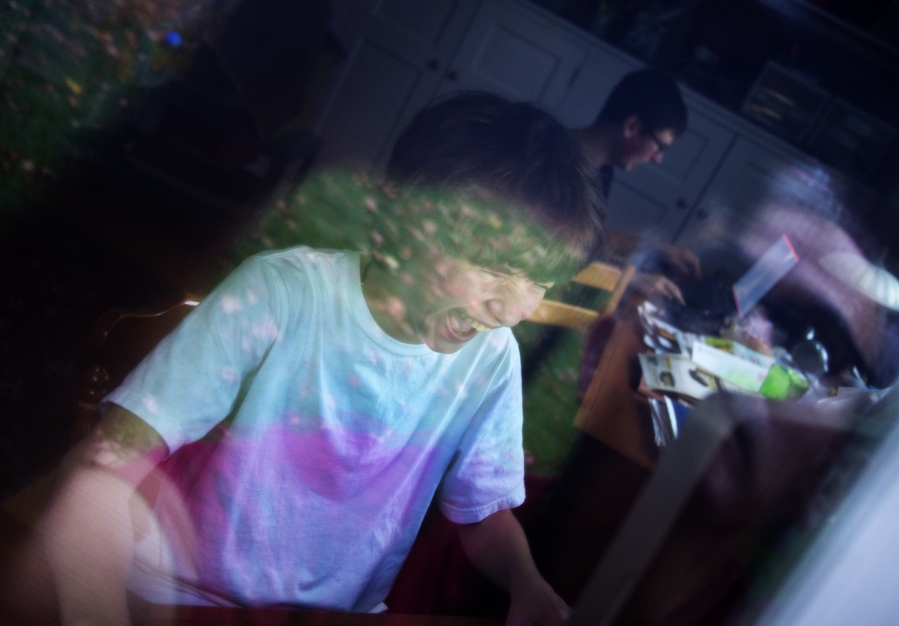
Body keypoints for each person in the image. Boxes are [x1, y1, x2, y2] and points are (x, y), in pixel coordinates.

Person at [40, 93, 606, 626]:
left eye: (540, 281)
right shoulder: (284, 293)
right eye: (495, 268)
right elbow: (102, 466)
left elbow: (483, 513)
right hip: (189, 598)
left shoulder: (490, 357)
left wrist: (526, 582)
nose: (514, 310)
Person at [574, 68, 700, 302]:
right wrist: (629, 278)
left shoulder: (603, 170)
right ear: (632, 126)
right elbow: (555, 246)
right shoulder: (559, 162)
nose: (658, 159)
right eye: (660, 147)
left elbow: (587, 238)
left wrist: (656, 248)